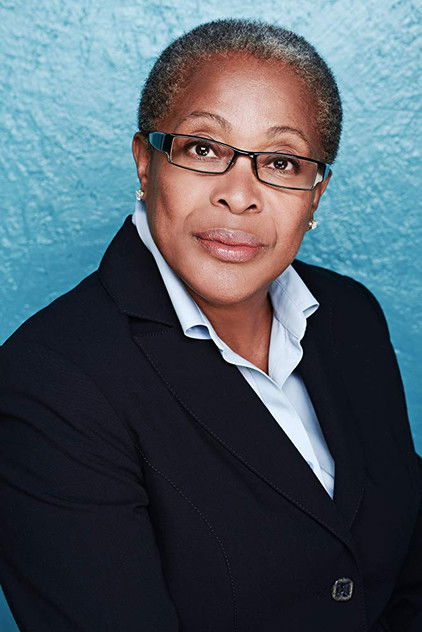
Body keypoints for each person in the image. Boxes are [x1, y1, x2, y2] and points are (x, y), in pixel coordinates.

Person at [0, 18, 421, 632]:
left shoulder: (351, 315)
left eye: (282, 161)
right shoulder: (50, 382)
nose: (239, 195)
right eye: (203, 149)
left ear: (316, 194)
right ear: (146, 163)